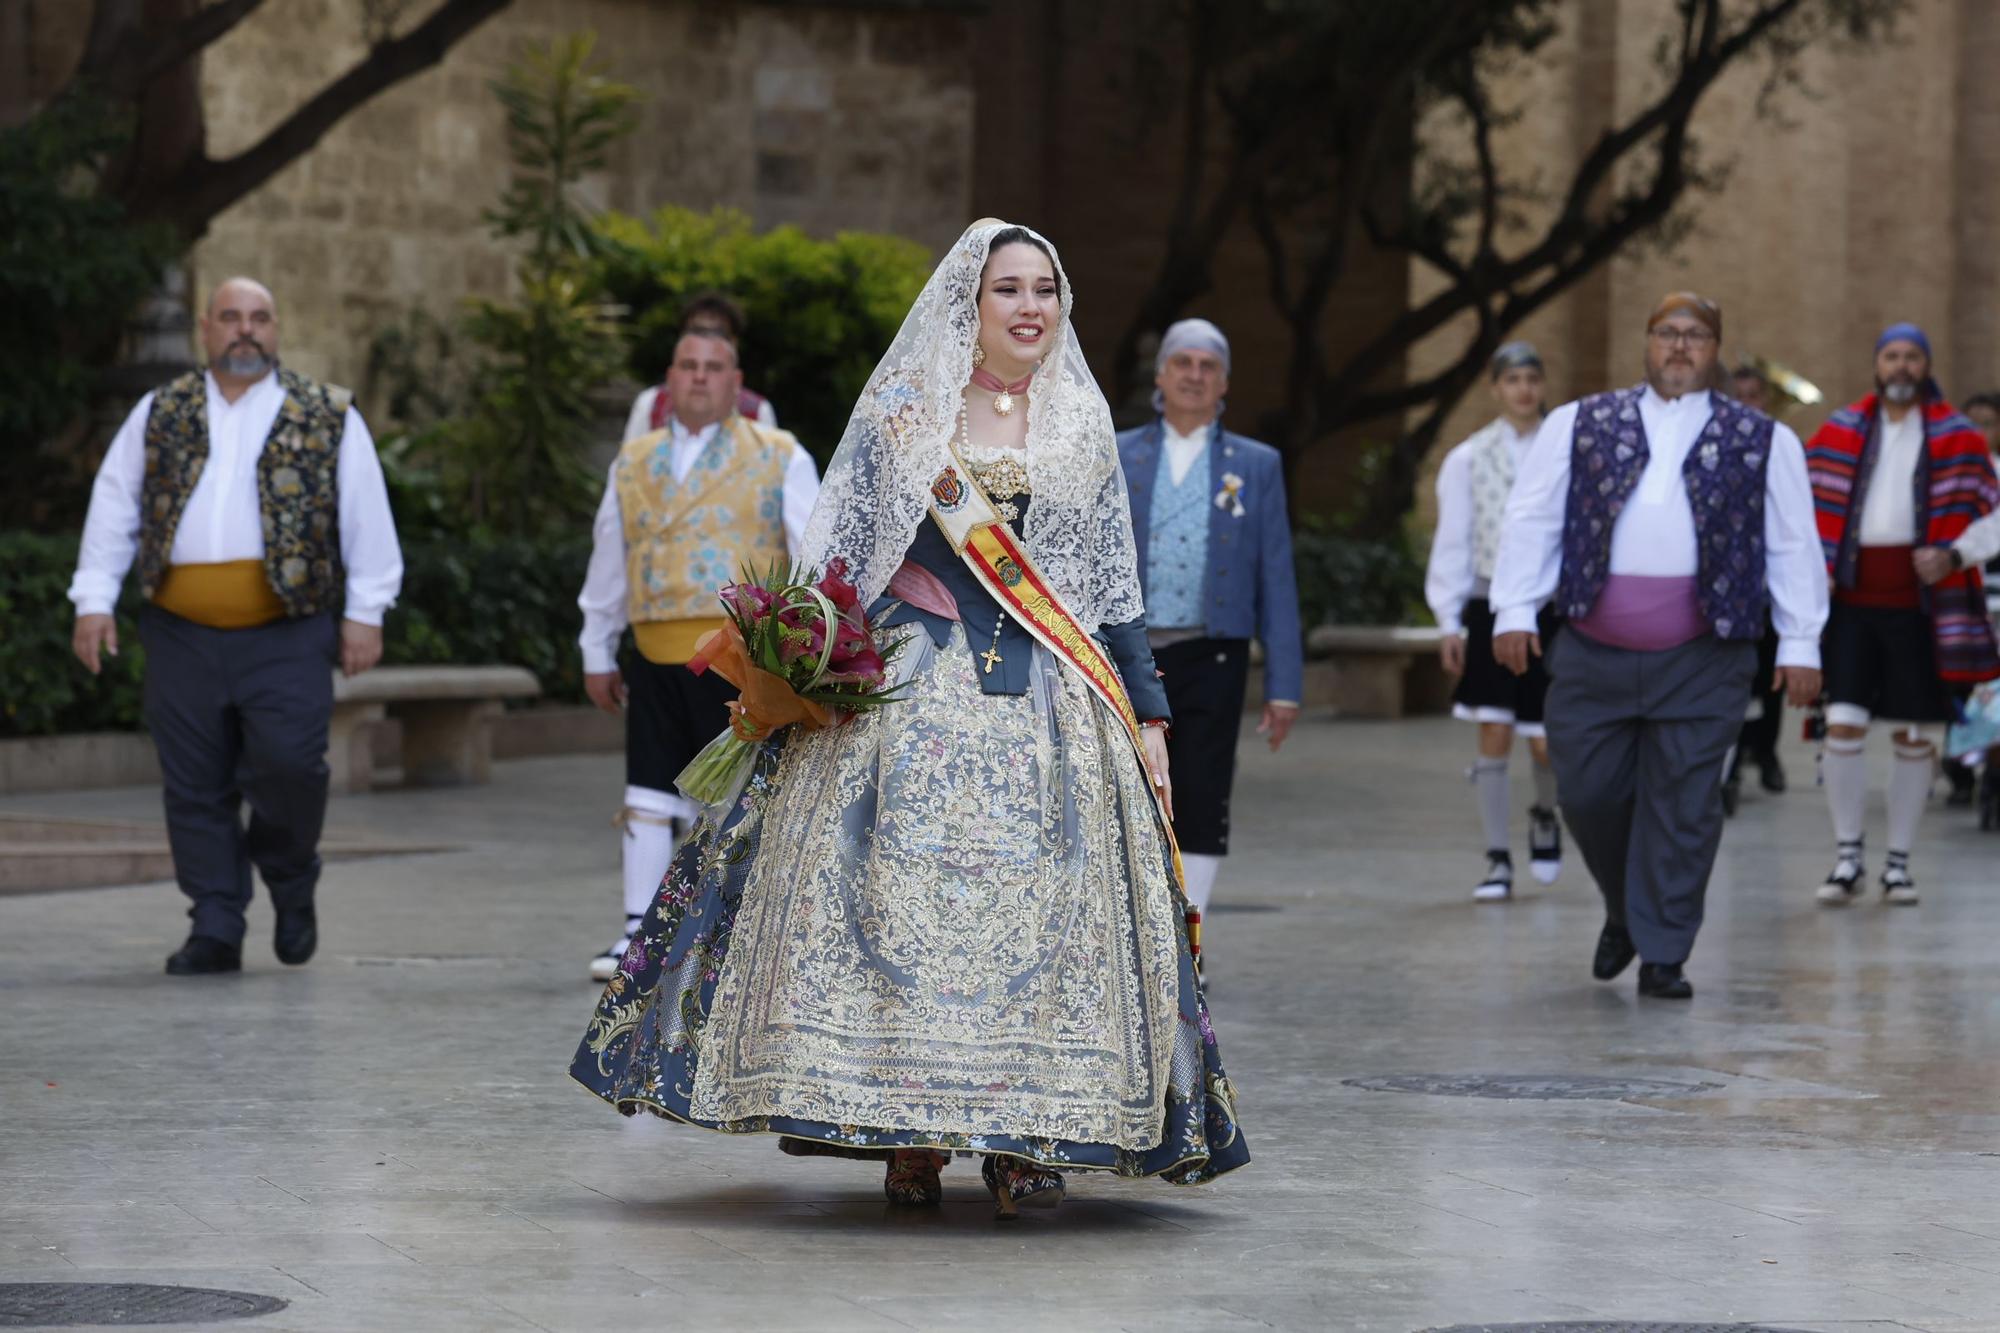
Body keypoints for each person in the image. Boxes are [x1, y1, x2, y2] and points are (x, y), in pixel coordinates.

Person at [569, 220, 1247, 1217]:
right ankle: (910, 1137)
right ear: (966, 306)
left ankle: (1028, 1135)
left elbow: (1109, 589)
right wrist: (802, 661)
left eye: (1045, 290)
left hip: (1050, 700)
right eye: (1008, 289)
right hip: (906, 687)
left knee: (1046, 916)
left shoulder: (1078, 425)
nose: (1029, 308)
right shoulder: (904, 413)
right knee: (887, 907)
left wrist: (1146, 712)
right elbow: (838, 557)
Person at [1489, 292, 1826, 1000]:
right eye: (1667, 333)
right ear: (1646, 343)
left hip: (1706, 654)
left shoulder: (1765, 438)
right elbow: (1532, 517)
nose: (1679, 346)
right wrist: (1514, 606)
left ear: (1715, 347)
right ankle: (1626, 909)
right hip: (1591, 645)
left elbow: (1794, 542)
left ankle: (1664, 951)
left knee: (1686, 803)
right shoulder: (1579, 421)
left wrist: (1801, 642)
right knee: (1585, 792)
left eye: (1696, 335)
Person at [68, 277, 403, 975]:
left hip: (287, 627)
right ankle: (215, 922)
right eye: (231, 317)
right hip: (181, 629)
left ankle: (289, 873)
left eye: (259, 318)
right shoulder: (161, 410)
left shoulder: (325, 412)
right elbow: (115, 502)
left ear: (276, 329)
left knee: (290, 766)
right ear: (205, 328)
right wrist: (93, 600)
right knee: (193, 782)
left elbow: (365, 514)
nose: (245, 330)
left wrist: (366, 611)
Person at [577, 327, 819, 981]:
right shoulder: (633, 461)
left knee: (733, 794)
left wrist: (807, 650)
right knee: (649, 789)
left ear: (737, 382)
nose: (701, 377)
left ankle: (730, 928)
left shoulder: (777, 454)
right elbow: (610, 552)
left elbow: (811, 553)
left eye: (715, 367)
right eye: (689, 365)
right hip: (655, 649)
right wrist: (595, 643)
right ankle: (640, 932)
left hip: (739, 655)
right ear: (669, 378)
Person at [1115, 317, 1304, 932]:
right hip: (1129, 651)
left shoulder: (1256, 465)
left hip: (1214, 650)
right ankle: (1134, 929)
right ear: (1162, 375)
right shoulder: (1119, 454)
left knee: (1203, 788)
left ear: (1224, 384)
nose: (1194, 376)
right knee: (1127, 785)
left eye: (1208, 367)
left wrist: (1284, 684)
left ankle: (1189, 937)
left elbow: (1275, 573)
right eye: (1183, 363)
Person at [1804, 323, 2000, 905]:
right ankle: (1846, 857)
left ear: (1927, 365)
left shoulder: (1958, 437)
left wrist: (1956, 553)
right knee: (1842, 726)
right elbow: (1800, 501)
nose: (1901, 367)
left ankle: (1898, 864)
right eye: (1891, 356)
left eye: (1912, 357)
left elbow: (1994, 512)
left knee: (1916, 735)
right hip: (1851, 606)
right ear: (1876, 364)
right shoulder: (1838, 430)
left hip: (1921, 608)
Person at [1424, 341, 1564, 901]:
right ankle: (1497, 856)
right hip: (1487, 604)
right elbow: (1453, 539)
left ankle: (1546, 815)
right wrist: (1448, 620)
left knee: (1545, 738)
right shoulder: (1469, 457)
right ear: (1495, 388)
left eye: (1533, 378)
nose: (1524, 390)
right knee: (1494, 730)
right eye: (1513, 380)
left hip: (1550, 608)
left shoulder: (1564, 449)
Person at [1721, 362, 1789, 811]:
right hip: (1726, 585)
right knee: (1733, 681)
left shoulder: (1780, 446)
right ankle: (1728, 772)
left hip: (1766, 584)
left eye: (1754, 395)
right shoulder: (1715, 445)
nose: (1748, 403)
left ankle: (1765, 750)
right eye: (1739, 394)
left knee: (1771, 678)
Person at [622, 292, 778, 442]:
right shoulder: (651, 404)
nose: (706, 342)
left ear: (734, 343)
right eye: (697, 332)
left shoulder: (758, 411)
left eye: (718, 334)